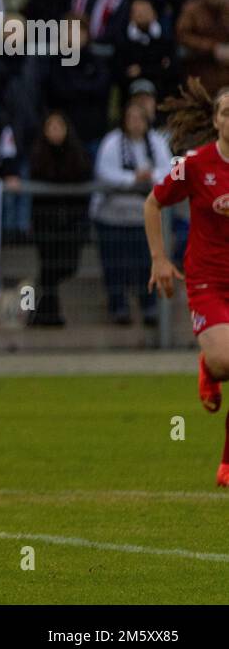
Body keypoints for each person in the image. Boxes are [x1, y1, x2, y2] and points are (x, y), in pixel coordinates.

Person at [147, 81, 229, 486]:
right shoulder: (194, 164)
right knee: (225, 360)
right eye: (226, 112)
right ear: (215, 121)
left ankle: (227, 463)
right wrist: (160, 259)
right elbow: (153, 202)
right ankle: (209, 366)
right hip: (207, 281)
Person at [92, 99, 172, 325]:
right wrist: (133, 179)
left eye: (140, 118)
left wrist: (150, 176)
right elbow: (105, 172)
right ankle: (119, 307)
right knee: (115, 265)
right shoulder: (112, 142)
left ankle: (149, 308)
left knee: (145, 264)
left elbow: (168, 171)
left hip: (144, 217)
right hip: (113, 217)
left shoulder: (156, 141)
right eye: (131, 118)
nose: (136, 123)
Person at [27, 112, 93, 327]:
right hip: (45, 223)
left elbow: (83, 176)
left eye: (59, 126)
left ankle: (33, 308)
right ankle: (46, 315)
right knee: (47, 267)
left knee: (59, 269)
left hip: (71, 224)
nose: (55, 131)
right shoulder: (38, 154)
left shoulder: (77, 154)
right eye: (51, 126)